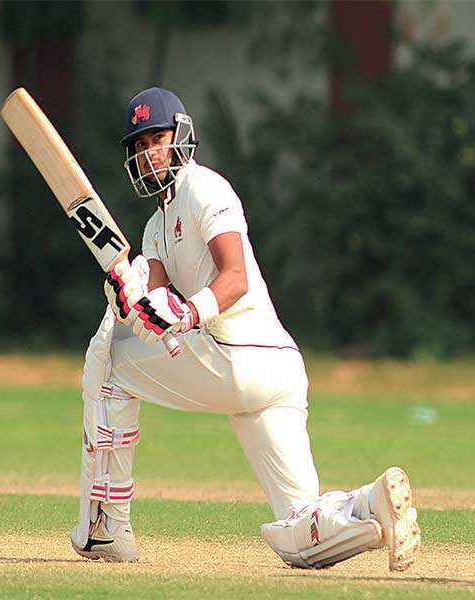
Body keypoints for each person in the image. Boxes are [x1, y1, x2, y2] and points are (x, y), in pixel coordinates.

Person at [69, 87, 421, 572]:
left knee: (110, 367)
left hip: (236, 353)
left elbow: (234, 278)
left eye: (158, 139)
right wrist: (124, 296)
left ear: (181, 136)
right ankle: (370, 503)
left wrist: (187, 313)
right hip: (274, 373)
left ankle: (107, 525)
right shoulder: (154, 228)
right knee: (298, 536)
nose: (150, 153)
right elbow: (152, 313)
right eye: (141, 145)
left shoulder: (204, 188)